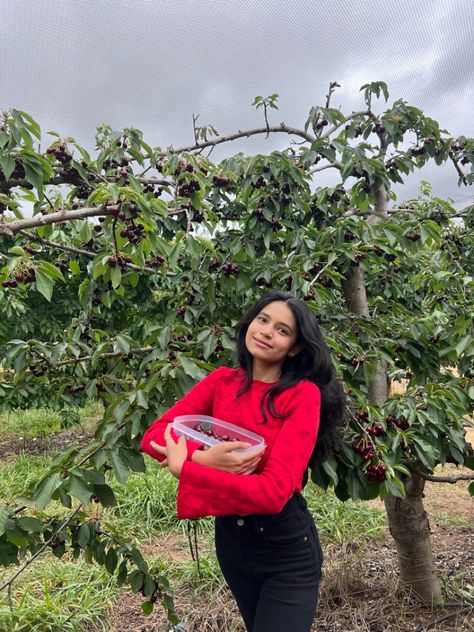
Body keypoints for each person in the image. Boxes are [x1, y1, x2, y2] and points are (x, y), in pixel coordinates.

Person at [141, 290, 346, 632]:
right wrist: (205, 458)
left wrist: (185, 467)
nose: (266, 331)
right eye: (262, 320)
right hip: (232, 543)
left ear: (295, 347)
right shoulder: (222, 382)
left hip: (285, 546)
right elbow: (154, 435)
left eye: (282, 330)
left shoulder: (301, 395)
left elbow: (272, 492)